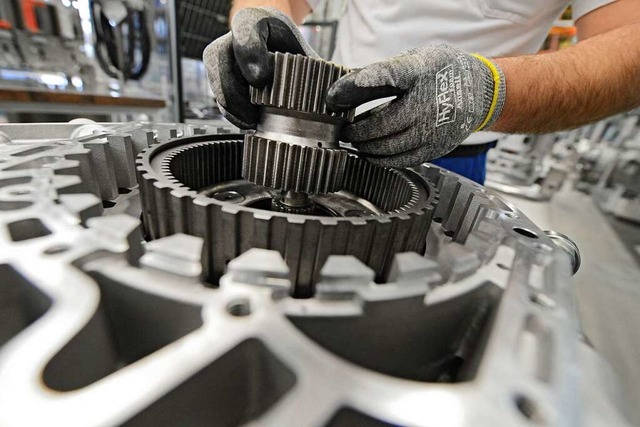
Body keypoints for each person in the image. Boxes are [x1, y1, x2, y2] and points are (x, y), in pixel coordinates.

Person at [204, 0, 640, 183]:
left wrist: (487, 90)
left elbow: (630, 44)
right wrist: (259, 21)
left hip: (454, 161)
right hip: (326, 136)